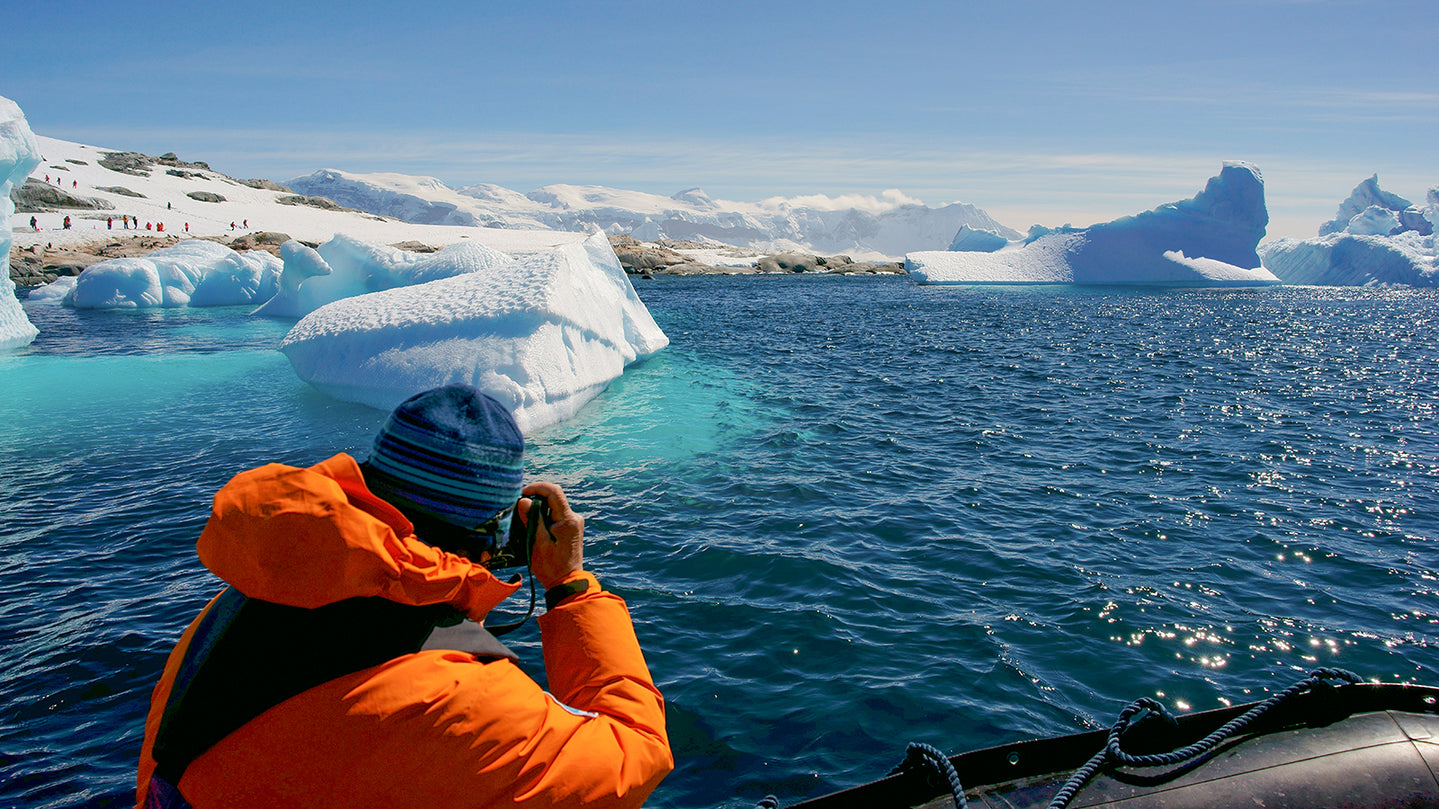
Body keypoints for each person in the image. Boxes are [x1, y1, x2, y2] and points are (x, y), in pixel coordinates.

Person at [136, 385, 672, 809]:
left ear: (369, 488)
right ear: (499, 532)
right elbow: (635, 755)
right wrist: (570, 587)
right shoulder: (455, 695)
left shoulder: (253, 596)